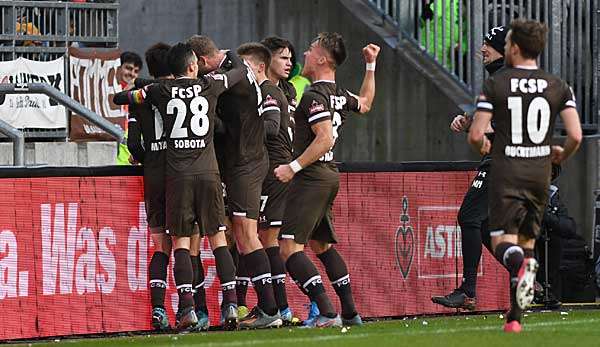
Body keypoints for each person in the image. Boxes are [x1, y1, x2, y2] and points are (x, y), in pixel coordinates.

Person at [114, 42, 246, 331]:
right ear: (191, 66)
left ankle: (186, 309)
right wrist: (226, 55)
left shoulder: (158, 92)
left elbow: (119, 98)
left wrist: (135, 92)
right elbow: (237, 70)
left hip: (177, 177)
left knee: (181, 243)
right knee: (218, 240)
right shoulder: (208, 85)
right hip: (209, 174)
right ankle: (231, 305)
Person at [468, 19, 582, 333]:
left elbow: (477, 133)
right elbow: (575, 135)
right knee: (527, 240)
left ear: (515, 48)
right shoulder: (557, 85)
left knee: (502, 241)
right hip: (540, 172)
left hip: (507, 171)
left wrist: (482, 145)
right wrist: (562, 153)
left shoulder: (496, 85)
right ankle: (515, 318)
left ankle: (522, 266)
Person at [274, 32, 379, 328]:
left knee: (289, 248)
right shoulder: (338, 93)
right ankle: (349, 313)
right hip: (328, 175)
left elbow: (323, 138)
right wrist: (370, 66)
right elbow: (367, 103)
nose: (304, 54)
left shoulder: (314, 95)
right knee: (322, 246)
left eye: (309, 50)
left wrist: (292, 167)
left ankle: (327, 312)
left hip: (312, 177)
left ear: (321, 58)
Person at [188, 35, 283, 329]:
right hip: (247, 160)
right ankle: (268, 308)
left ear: (202, 61)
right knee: (244, 235)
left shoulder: (235, 71)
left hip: (246, 162)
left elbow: (219, 86)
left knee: (246, 234)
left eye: (197, 67)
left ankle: (270, 308)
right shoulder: (236, 65)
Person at [431, 25, 507, 311]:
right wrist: (470, 120)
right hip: (519, 162)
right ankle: (525, 272)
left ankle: (468, 291)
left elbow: (489, 126)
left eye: (488, 43)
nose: (482, 49)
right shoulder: (516, 79)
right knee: (484, 224)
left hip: (500, 161)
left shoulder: (500, 80)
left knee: (468, 216)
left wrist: (472, 126)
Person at [236, 41, 295, 324]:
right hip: (273, 170)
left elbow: (271, 128)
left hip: (273, 172)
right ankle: (275, 308)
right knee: (257, 237)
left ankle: (276, 308)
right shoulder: (273, 91)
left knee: (264, 239)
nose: (289, 62)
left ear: (260, 65)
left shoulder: (270, 92)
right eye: (283, 57)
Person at [123, 42, 174, 331]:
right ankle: (194, 310)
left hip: (152, 175)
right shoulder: (182, 93)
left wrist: (147, 159)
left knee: (160, 246)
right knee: (186, 244)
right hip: (181, 173)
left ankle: (158, 310)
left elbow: (133, 145)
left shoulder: (137, 97)